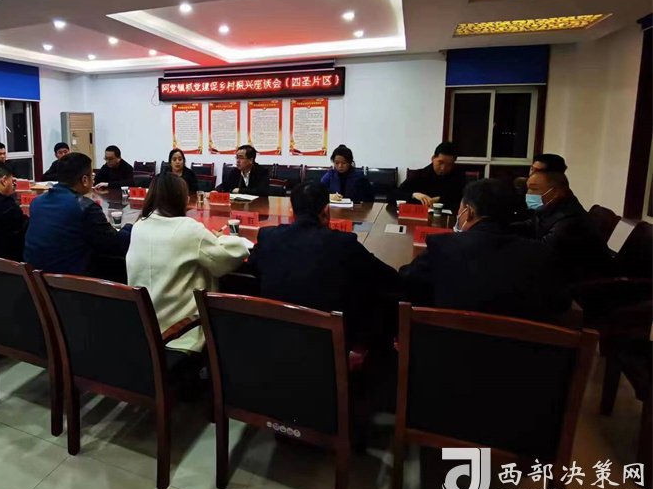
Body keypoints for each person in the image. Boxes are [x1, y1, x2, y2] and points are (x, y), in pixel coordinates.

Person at [248, 182, 399, 346]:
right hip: (328, 349)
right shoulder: (343, 244)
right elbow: (389, 279)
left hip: (273, 344)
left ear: (291, 211)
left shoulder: (268, 237)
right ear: (326, 211)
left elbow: (253, 267)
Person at [400, 179, 567, 321]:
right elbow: (561, 304)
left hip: (446, 346)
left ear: (469, 212)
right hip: (522, 349)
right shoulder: (540, 253)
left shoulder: (443, 246)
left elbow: (407, 283)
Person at [127, 172, 248, 352]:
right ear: (180, 199)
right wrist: (221, 239)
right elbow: (227, 258)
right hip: (179, 334)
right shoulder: (188, 229)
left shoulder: (139, 226)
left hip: (142, 330)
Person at [25, 152, 130, 276]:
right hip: (70, 281)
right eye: (91, 175)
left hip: (35, 278)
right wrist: (130, 228)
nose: (93, 179)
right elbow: (114, 243)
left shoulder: (37, 202)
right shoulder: (85, 207)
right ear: (85, 180)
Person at [512, 170, 611, 283]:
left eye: (534, 189)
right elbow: (530, 225)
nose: (528, 194)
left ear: (555, 192)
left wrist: (507, 244)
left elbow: (543, 251)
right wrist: (504, 228)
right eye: (528, 189)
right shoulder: (549, 207)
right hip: (561, 271)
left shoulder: (569, 219)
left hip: (584, 283)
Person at [395, 141, 466, 212]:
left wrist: (440, 199)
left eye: (449, 165)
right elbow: (393, 194)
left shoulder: (458, 177)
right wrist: (414, 195)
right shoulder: (420, 175)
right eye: (440, 162)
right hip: (419, 215)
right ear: (433, 158)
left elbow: (463, 199)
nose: (443, 168)